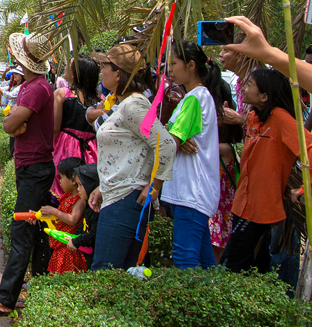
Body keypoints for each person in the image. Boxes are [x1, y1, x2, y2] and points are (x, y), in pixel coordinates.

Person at [0, 33, 55, 320]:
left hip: (33, 169)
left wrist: (15, 125)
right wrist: (15, 124)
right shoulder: (36, 87)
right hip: (33, 167)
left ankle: (6, 297)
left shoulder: (34, 89)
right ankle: (39, 287)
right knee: (36, 231)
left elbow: (10, 125)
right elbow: (13, 124)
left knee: (22, 230)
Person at [86, 43, 175, 271]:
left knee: (105, 273)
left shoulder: (133, 106)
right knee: (124, 274)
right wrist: (102, 188)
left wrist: (154, 187)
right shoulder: (123, 104)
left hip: (125, 201)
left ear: (118, 73)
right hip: (116, 196)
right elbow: (129, 151)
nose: (101, 71)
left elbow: (165, 144)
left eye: (105, 65)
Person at [223, 68, 312, 273]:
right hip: (242, 204)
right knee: (255, 269)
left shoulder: (281, 119)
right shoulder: (255, 117)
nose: (243, 88)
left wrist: (303, 190)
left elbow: (309, 149)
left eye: (249, 85)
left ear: (264, 96)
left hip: (259, 210)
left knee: (229, 267)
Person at [164, 40, 221, 269]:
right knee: (205, 262)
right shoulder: (194, 97)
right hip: (190, 192)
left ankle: (192, 306)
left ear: (190, 66)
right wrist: (171, 134)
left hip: (191, 193)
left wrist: (171, 136)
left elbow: (171, 144)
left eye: (173, 63)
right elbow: (174, 138)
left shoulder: (194, 99)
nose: (169, 68)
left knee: (184, 259)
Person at [51, 55, 99, 197]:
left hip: (65, 148)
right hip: (91, 150)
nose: (65, 67)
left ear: (75, 74)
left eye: (68, 65)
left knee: (62, 192)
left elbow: (54, 128)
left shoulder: (62, 94)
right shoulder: (100, 100)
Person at [40, 156, 87, 274]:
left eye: (61, 177)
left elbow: (73, 219)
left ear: (73, 180)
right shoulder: (67, 197)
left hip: (68, 247)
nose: (59, 181)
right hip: (59, 246)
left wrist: (53, 211)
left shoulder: (79, 199)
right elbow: (59, 217)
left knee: (64, 277)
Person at [68, 163, 100, 268]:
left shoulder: (97, 210)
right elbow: (84, 224)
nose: (78, 189)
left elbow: (94, 234)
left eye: (81, 185)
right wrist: (76, 236)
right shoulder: (88, 206)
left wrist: (77, 241)